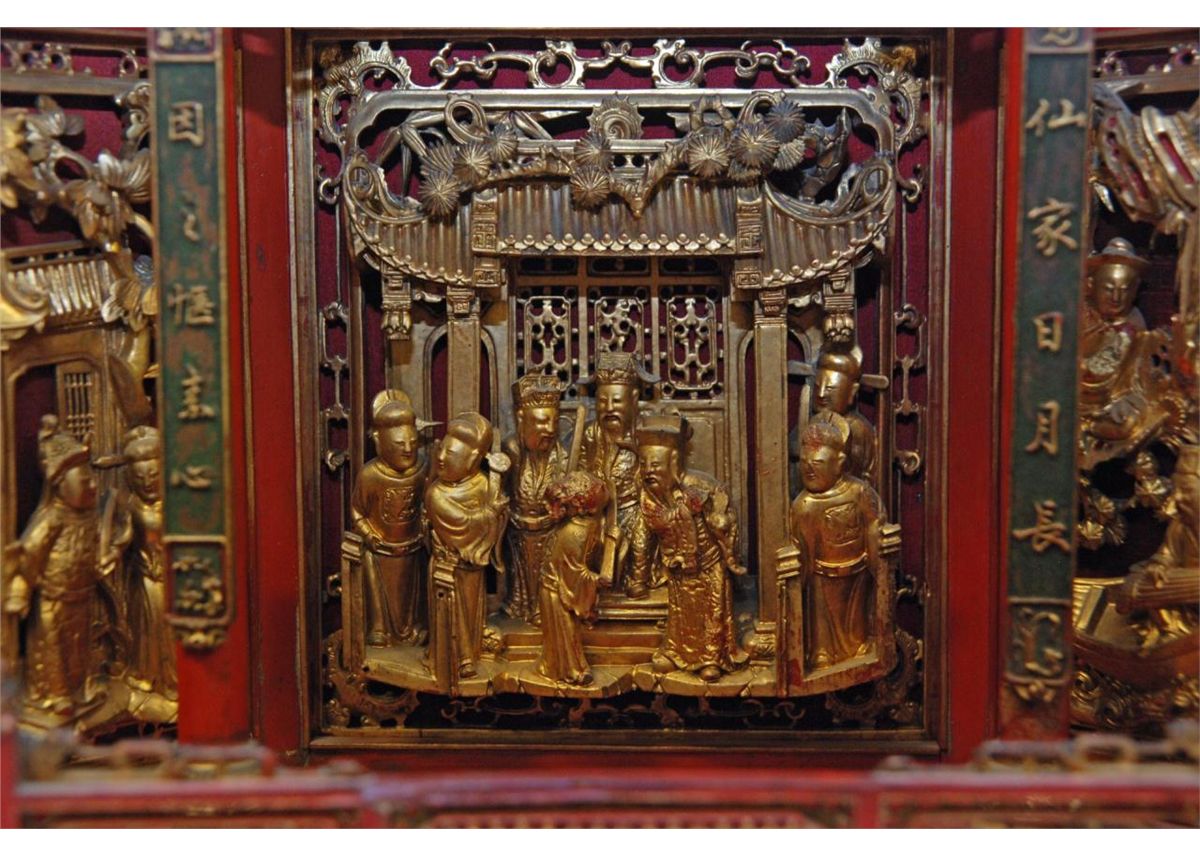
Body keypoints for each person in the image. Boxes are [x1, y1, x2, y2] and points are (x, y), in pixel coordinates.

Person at [2, 415, 112, 724]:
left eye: (91, 478)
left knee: (80, 647)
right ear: (60, 485)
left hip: (83, 595)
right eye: (84, 481)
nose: (92, 484)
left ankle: (79, 689)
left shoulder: (90, 516)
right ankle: (56, 694)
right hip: (54, 598)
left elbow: (97, 545)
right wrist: (20, 590)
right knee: (53, 647)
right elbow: (29, 554)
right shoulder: (51, 519)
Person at [631, 414, 747, 682]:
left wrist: (718, 520)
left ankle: (712, 658)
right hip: (677, 565)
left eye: (655, 464)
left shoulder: (700, 486)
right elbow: (644, 534)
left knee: (712, 611)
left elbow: (724, 516)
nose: (648, 471)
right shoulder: (648, 497)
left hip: (709, 563)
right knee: (681, 614)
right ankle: (677, 654)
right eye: (644, 464)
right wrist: (639, 576)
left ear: (673, 462)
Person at [788, 418, 884, 671]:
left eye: (818, 463)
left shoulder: (859, 492)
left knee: (857, 621)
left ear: (839, 463)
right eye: (804, 463)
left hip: (858, 573)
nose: (809, 470)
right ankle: (822, 654)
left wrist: (877, 547)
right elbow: (802, 550)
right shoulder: (803, 506)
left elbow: (875, 522)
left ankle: (860, 644)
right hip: (822, 578)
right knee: (822, 625)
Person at [424, 412, 508, 685]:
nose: (441, 457)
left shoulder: (482, 484)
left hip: (473, 569)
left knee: (472, 613)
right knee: (452, 613)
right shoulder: (436, 494)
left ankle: (471, 651)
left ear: (472, 460)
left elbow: (494, 519)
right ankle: (455, 659)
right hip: (448, 567)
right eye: (441, 450)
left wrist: (498, 512)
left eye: (450, 453)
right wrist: (489, 514)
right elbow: (462, 522)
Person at [350, 390, 429, 646]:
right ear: (379, 441)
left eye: (412, 443)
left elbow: (429, 502)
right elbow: (357, 511)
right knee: (379, 597)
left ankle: (414, 628)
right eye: (399, 444)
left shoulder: (423, 468)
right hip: (380, 552)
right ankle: (380, 629)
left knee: (412, 596)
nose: (407, 449)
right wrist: (368, 534)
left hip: (413, 548)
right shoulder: (370, 475)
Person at [111, 426, 176, 700]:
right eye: (140, 478)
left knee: (170, 631)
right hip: (144, 580)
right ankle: (146, 673)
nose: (147, 483)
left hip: (172, 579)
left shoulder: (174, 504)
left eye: (153, 475)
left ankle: (173, 680)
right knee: (145, 632)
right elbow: (123, 538)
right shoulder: (131, 506)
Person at [579, 351, 651, 597]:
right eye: (602, 401)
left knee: (641, 535)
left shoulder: (644, 432)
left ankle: (638, 579)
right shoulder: (592, 434)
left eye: (617, 401)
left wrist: (633, 447)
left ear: (633, 399)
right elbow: (581, 467)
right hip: (599, 510)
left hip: (634, 506)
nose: (609, 408)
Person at [534, 470, 616, 686]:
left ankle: (568, 668)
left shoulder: (584, 526)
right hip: (556, 591)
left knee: (566, 634)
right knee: (564, 633)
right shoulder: (574, 532)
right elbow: (575, 575)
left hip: (558, 587)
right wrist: (596, 580)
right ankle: (570, 671)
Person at [502, 374, 567, 624]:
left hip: (550, 532)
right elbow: (500, 494)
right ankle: (521, 608)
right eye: (541, 421)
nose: (549, 429)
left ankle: (544, 610)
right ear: (522, 420)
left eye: (554, 421)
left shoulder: (561, 456)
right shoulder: (512, 451)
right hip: (517, 532)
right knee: (520, 583)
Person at [811, 350, 876, 484]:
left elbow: (856, 473)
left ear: (852, 391)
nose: (821, 394)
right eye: (817, 387)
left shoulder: (856, 429)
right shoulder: (812, 422)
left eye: (830, 388)